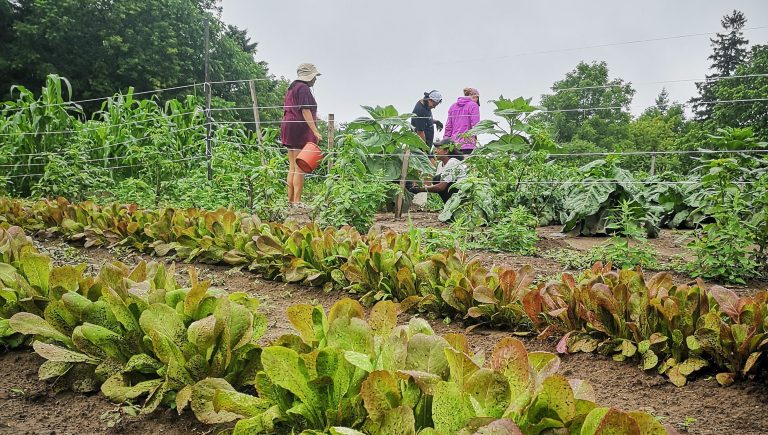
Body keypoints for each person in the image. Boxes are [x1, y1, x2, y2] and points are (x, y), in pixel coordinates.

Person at [280, 63, 322, 206]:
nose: (315, 79)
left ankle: (290, 201)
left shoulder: (292, 87)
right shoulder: (303, 88)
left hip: (288, 126)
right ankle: (297, 202)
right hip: (298, 128)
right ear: (309, 76)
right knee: (299, 166)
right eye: (315, 76)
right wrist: (315, 131)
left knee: (292, 166)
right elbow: (305, 110)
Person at [408, 139, 467, 203]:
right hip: (453, 194)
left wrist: (420, 189)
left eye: (438, 149)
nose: (435, 151)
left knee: (438, 179)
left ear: (446, 151)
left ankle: (453, 204)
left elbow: (441, 187)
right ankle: (448, 204)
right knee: (436, 179)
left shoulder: (452, 162)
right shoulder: (440, 165)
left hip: (460, 194)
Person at [443, 87, 481, 155]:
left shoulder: (453, 106)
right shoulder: (473, 105)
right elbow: (476, 125)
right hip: (467, 143)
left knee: (455, 164)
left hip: (454, 144)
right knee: (466, 164)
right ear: (475, 97)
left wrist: (445, 140)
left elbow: (448, 126)